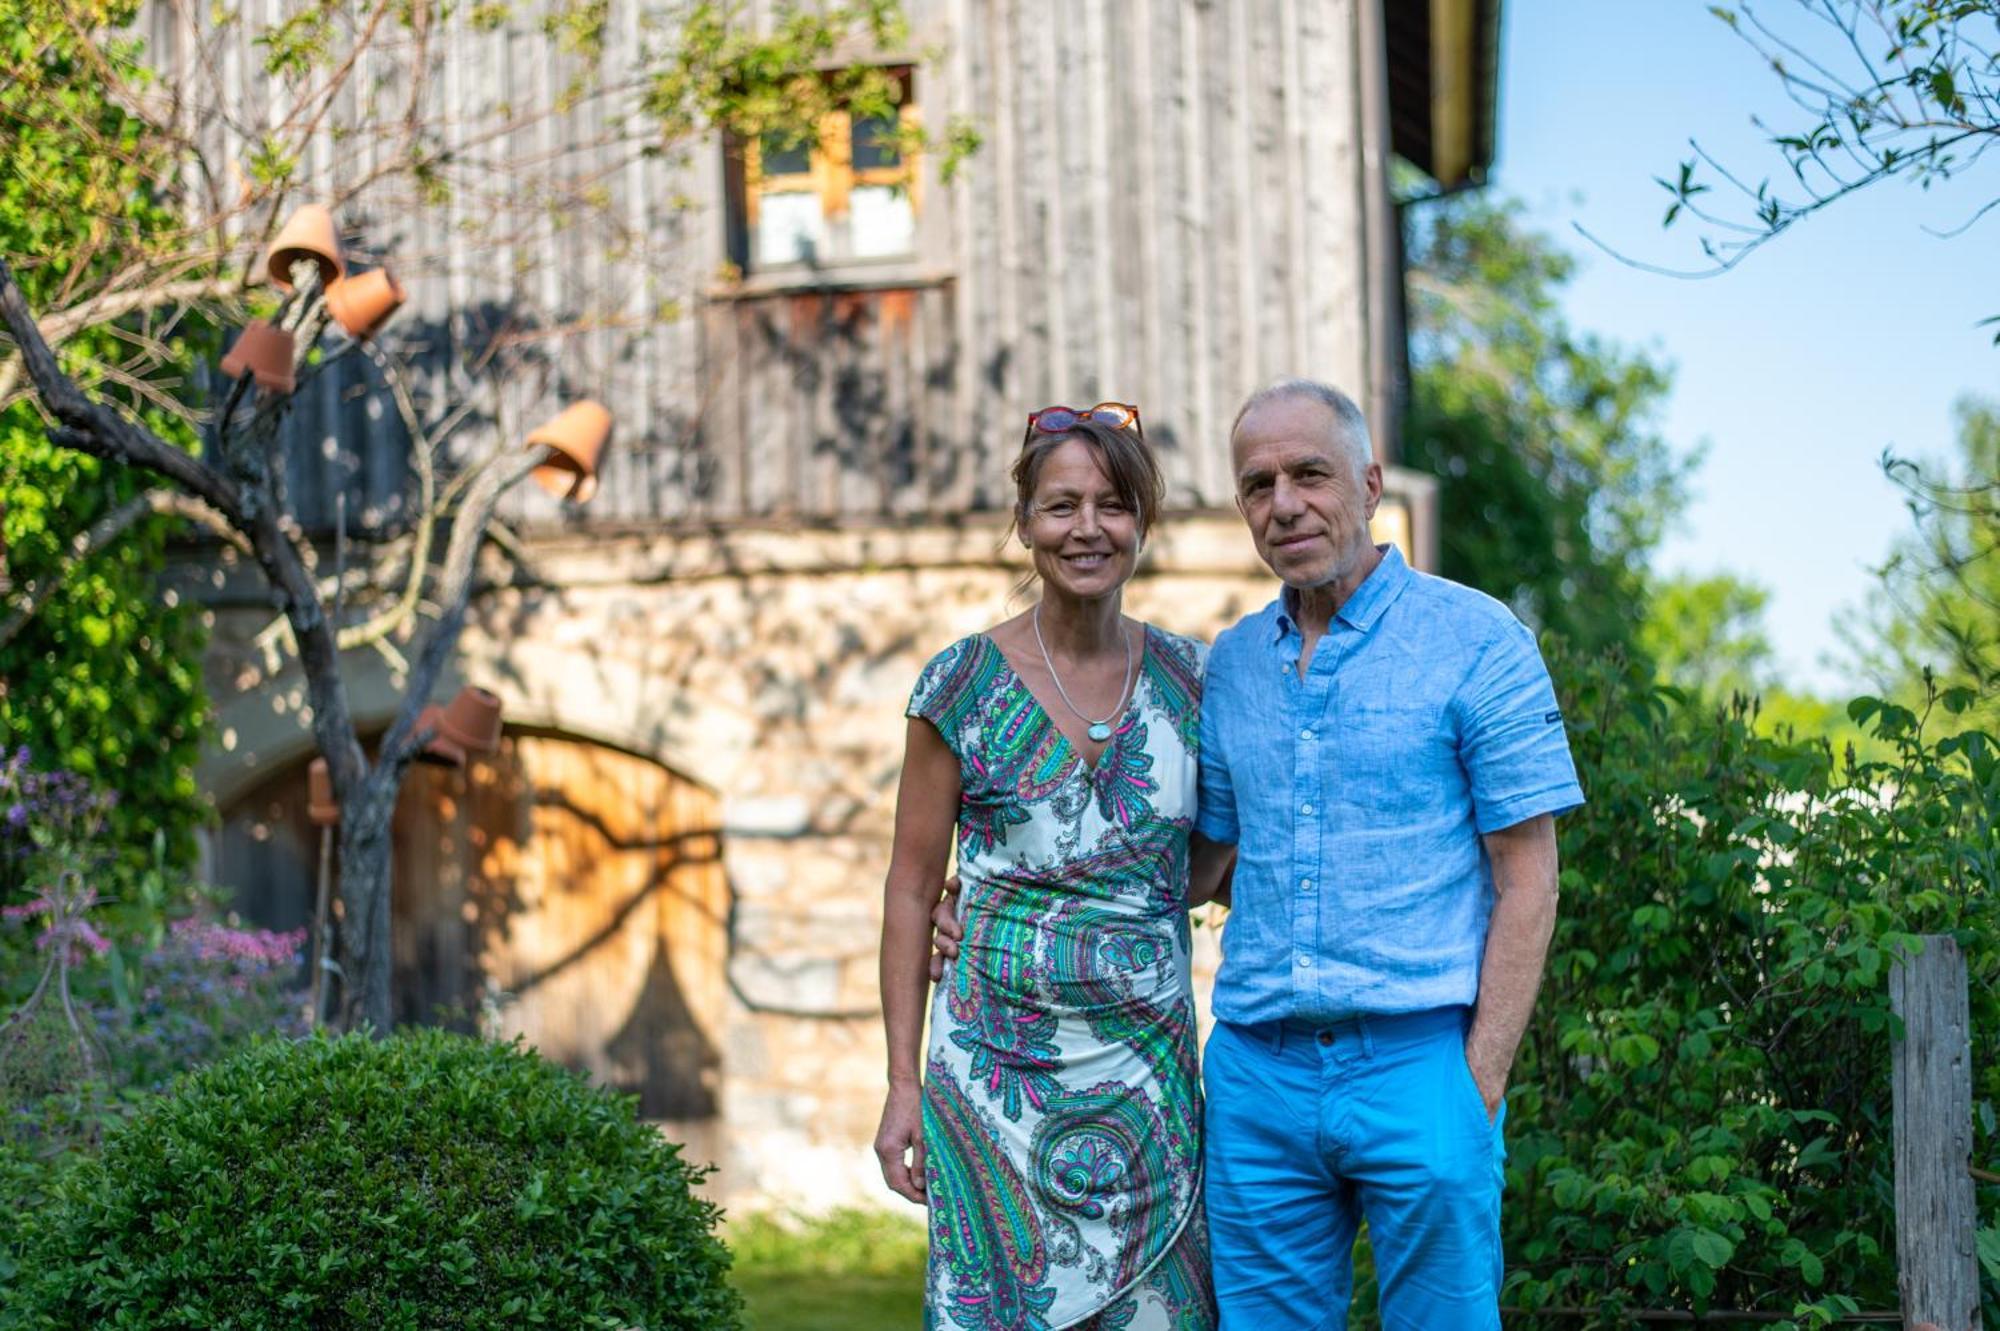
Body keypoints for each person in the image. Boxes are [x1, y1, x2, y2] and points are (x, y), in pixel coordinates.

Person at [937, 379, 1584, 1329]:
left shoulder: (1477, 639)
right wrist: (1007, 895)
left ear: (1369, 483)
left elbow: (1529, 876)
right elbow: (1203, 861)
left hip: (1417, 1064)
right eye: (1258, 484)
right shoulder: (1230, 665)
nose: (1285, 504)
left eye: (1310, 475)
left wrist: (1478, 1081)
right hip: (1257, 1079)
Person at [874, 402, 1226, 1331]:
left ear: (1142, 523)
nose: (1088, 529)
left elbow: (1210, 865)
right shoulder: (957, 685)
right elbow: (912, 888)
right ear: (1025, 521)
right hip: (992, 1087)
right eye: (1062, 505)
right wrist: (901, 1084)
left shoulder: (1196, 682)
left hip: (1148, 1090)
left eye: (1113, 505)